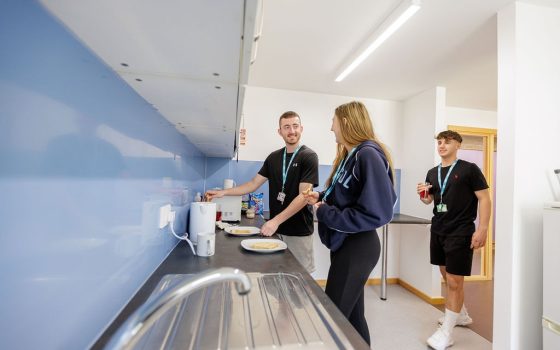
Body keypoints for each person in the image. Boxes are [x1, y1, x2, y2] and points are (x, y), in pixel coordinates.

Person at [304, 101, 396, 346]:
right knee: (353, 320)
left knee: (331, 319)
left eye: (332, 122)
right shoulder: (350, 155)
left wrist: (325, 214)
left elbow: (377, 213)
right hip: (345, 246)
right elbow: (348, 196)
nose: (330, 128)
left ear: (345, 122)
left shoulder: (368, 154)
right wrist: (322, 197)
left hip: (358, 247)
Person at [206, 111, 319, 273]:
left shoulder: (309, 156)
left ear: (301, 128)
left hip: (298, 233)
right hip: (275, 231)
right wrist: (223, 193)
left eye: (295, 126)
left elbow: (304, 196)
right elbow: (253, 184)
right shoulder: (273, 158)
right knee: (277, 276)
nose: (291, 131)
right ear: (280, 131)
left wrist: (275, 221)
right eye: (286, 127)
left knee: (299, 279)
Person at [417, 130, 491, 350]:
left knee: (454, 281)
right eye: (439, 142)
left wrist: (483, 229)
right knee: (445, 274)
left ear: (458, 145)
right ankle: (461, 315)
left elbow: (485, 199)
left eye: (447, 142)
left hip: (461, 230)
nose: (442, 145)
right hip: (439, 229)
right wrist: (424, 194)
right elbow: (430, 201)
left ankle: (446, 333)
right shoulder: (432, 172)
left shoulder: (469, 169)